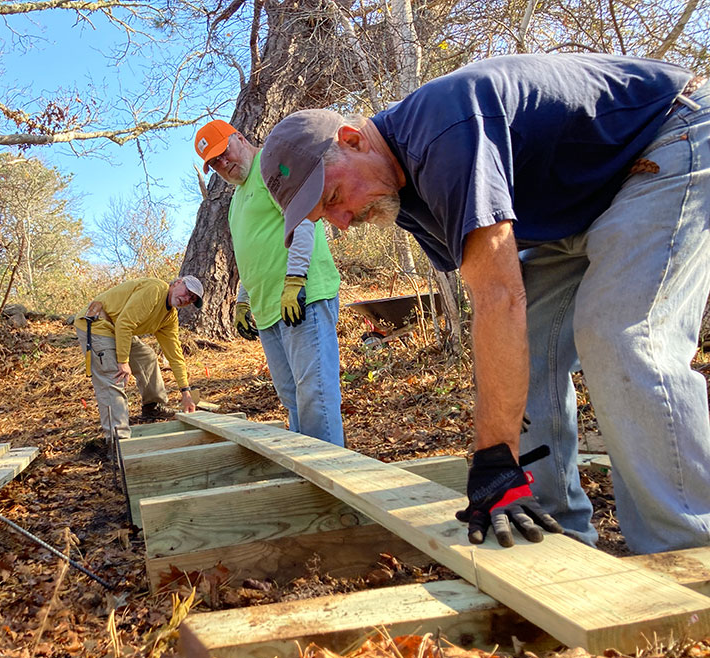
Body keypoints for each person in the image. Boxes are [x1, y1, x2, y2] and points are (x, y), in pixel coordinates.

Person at [259, 53, 710, 554]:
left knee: (621, 333)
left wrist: (494, 454)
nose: (341, 222)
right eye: (325, 217)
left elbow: (500, 296)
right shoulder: (400, 192)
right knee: (529, 348)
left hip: (670, 134)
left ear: (352, 139)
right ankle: (550, 530)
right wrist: (502, 461)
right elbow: (500, 303)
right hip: (585, 202)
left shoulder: (442, 135)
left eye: (335, 196)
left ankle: (690, 553)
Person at [194, 119, 344, 446]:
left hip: (301, 298)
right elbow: (250, 254)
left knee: (315, 396)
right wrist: (242, 300)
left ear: (240, 137)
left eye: (224, 153)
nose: (223, 164)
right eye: (214, 163)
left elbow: (305, 219)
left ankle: (332, 475)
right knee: (292, 399)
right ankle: (308, 474)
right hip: (269, 310)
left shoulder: (271, 167)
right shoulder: (235, 201)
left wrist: (295, 280)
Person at [74, 276, 202, 444]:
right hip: (98, 324)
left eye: (191, 299)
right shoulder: (155, 290)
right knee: (113, 376)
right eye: (187, 292)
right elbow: (125, 323)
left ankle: (152, 406)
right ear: (178, 283)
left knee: (146, 358)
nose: (186, 299)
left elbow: (174, 354)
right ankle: (118, 440)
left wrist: (186, 392)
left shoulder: (169, 317)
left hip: (118, 327)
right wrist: (123, 361)